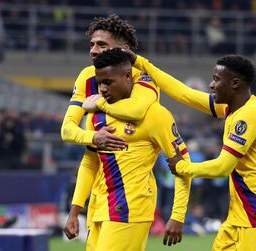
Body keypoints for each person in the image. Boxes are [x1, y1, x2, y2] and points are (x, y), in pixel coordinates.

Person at [128, 52, 256, 250]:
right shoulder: (233, 107)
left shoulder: (250, 114)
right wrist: (140, 62)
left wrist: (183, 167)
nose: (211, 85)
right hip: (240, 216)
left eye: (216, 79)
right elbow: (184, 93)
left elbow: (223, 167)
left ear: (235, 84)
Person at [65, 48, 191, 250]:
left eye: (108, 82)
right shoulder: (96, 116)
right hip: (99, 209)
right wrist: (75, 210)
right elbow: (90, 162)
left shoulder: (154, 114)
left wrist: (177, 215)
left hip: (131, 209)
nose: (103, 89)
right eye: (99, 83)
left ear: (127, 76)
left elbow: (184, 166)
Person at [61, 14, 162, 244]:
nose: (94, 50)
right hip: (100, 201)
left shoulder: (143, 79)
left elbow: (136, 112)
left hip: (132, 200)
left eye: (102, 44)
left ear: (125, 50)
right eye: (92, 44)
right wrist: (75, 210)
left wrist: (98, 103)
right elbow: (70, 134)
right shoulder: (87, 78)